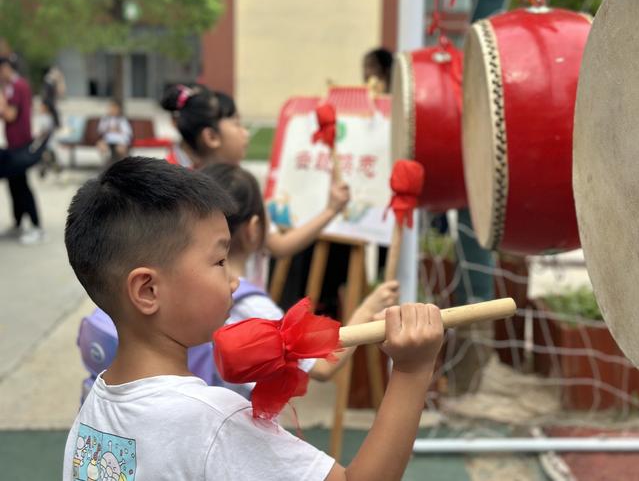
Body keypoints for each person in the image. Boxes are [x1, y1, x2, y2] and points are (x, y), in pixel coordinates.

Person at [63, 156, 444, 481]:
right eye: (219, 260)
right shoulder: (212, 420)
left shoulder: (91, 414)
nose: (233, 279)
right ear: (148, 291)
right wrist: (412, 371)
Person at [202, 162, 400, 396]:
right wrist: (367, 310)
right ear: (254, 228)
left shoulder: (188, 285)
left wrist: (332, 209)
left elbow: (282, 246)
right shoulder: (250, 305)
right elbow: (322, 366)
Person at [160, 84, 351, 286]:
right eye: (237, 124)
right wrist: (331, 210)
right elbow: (279, 245)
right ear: (211, 137)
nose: (246, 133)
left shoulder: (176, 188)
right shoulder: (238, 188)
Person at [0, 54, 44, 244]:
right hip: (13, 146)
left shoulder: (19, 86)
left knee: (22, 186)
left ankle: (36, 226)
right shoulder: (11, 87)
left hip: (21, 145)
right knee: (14, 184)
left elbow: (10, 115)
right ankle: (18, 224)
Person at [96, 99, 132, 165]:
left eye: (115, 108)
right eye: (111, 108)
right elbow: (100, 130)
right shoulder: (105, 119)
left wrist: (118, 130)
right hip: (108, 139)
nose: (112, 110)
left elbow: (128, 132)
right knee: (101, 145)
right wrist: (108, 128)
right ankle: (106, 164)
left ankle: (124, 164)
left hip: (120, 139)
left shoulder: (122, 120)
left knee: (121, 149)